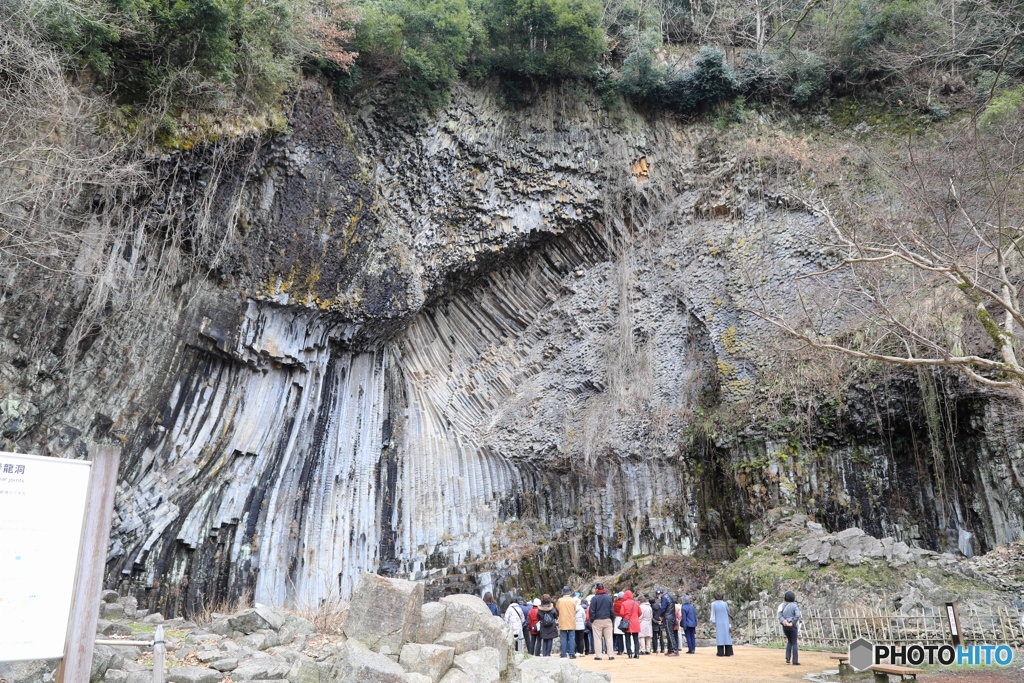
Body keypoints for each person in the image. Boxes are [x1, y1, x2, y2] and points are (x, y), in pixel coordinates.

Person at [589, 583, 615, 661]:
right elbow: (612, 610)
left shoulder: (594, 598)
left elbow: (592, 611)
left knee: (597, 638)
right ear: (603, 588)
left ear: (597, 589)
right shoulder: (608, 598)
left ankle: (599, 656)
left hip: (597, 620)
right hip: (607, 620)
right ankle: (611, 655)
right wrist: (611, 619)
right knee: (609, 638)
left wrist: (592, 620)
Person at [616, 590, 642, 659]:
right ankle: (637, 653)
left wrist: (625, 617)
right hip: (635, 623)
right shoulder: (636, 603)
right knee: (636, 639)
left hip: (627, 623)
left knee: (627, 639)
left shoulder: (624, 603)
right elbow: (640, 613)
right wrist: (635, 617)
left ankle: (629, 653)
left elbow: (621, 613)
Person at [780, 591, 801, 665]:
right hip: (792, 626)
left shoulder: (781, 605)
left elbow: (779, 615)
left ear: (785, 598)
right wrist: (792, 622)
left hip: (785, 626)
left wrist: (784, 621)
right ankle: (795, 661)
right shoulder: (794, 606)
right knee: (794, 643)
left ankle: (788, 657)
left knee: (789, 641)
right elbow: (797, 615)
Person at [556, 587, 577, 659]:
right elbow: (575, 609)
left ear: (563, 592)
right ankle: (572, 654)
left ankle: (563, 654)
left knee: (563, 638)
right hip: (571, 621)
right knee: (572, 638)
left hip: (563, 621)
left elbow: (558, 608)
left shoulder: (560, 600)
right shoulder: (573, 600)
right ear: (569, 592)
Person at [660, 590, 679, 656]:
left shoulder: (664, 598)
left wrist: (660, 615)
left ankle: (674, 650)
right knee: (670, 634)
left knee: (670, 635)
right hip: (671, 616)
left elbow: (663, 608)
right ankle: (670, 650)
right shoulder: (669, 596)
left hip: (668, 617)